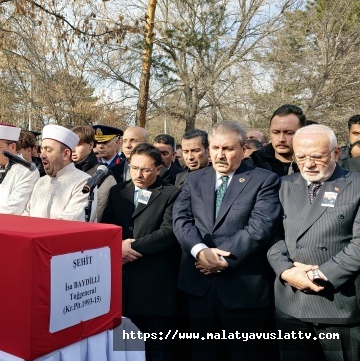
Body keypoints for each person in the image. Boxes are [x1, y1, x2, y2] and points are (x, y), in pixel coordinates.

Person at [172, 121, 281, 361]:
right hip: (198, 287)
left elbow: (260, 227)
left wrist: (222, 259)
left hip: (243, 290)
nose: (220, 154)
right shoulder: (193, 180)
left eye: (228, 149)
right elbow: (180, 220)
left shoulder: (265, 180)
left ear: (243, 149)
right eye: (215, 147)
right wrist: (200, 251)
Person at [267, 124, 360, 361]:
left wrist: (317, 276)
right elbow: (271, 234)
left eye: (317, 157)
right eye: (301, 157)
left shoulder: (356, 185)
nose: (308, 164)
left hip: (338, 302)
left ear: (336, 153)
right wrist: (286, 271)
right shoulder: (283, 186)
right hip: (290, 302)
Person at [102, 143, 181, 361]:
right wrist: (117, 247)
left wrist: (131, 248)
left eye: (146, 169)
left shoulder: (171, 193)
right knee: (124, 345)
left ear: (158, 169)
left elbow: (168, 232)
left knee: (157, 348)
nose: (139, 174)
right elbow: (107, 225)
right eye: (135, 168)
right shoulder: (118, 191)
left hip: (154, 286)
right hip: (122, 283)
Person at [23, 124, 95, 221]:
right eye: (42, 149)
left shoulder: (84, 183)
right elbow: (28, 212)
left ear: (66, 154)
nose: (42, 155)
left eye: (48, 150)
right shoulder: (40, 182)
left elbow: (69, 223)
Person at [71, 126, 116, 221]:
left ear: (91, 145)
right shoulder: (66, 170)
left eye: (78, 145)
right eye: (71, 145)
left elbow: (98, 212)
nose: (73, 149)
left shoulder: (103, 174)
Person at [258, 104, 305, 176]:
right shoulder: (253, 166)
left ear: (302, 133)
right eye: (276, 132)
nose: (281, 139)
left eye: (289, 133)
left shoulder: (314, 167)